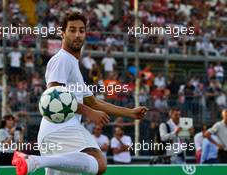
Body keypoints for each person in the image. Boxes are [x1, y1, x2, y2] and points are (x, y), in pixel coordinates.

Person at [12, 11, 148, 175]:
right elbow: (53, 96)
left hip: (53, 133)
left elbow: (94, 102)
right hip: (61, 128)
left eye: (81, 30)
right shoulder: (62, 59)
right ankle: (34, 160)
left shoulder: (73, 64)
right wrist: (88, 112)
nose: (77, 35)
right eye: (72, 30)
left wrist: (130, 113)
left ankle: (35, 161)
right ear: (62, 33)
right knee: (99, 162)